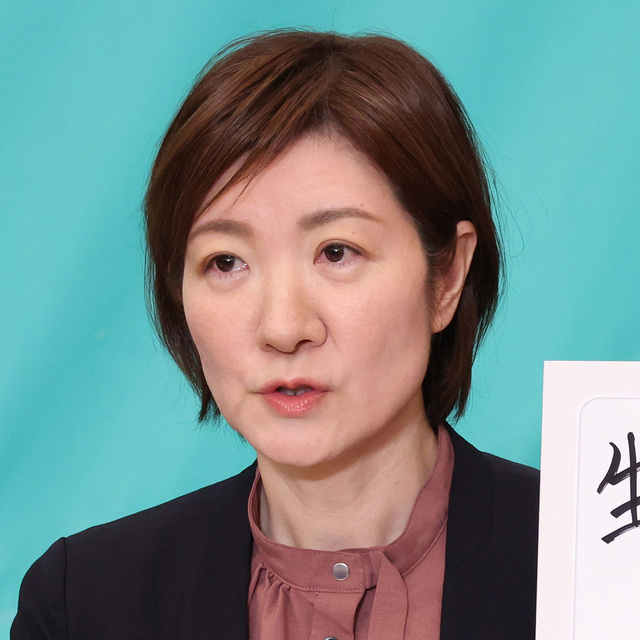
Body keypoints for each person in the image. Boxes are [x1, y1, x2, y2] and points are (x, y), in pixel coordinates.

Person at [12, 30, 538, 639]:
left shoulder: (601, 560)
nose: (283, 329)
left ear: (446, 276)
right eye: (226, 262)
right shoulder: (84, 605)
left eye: (337, 252)